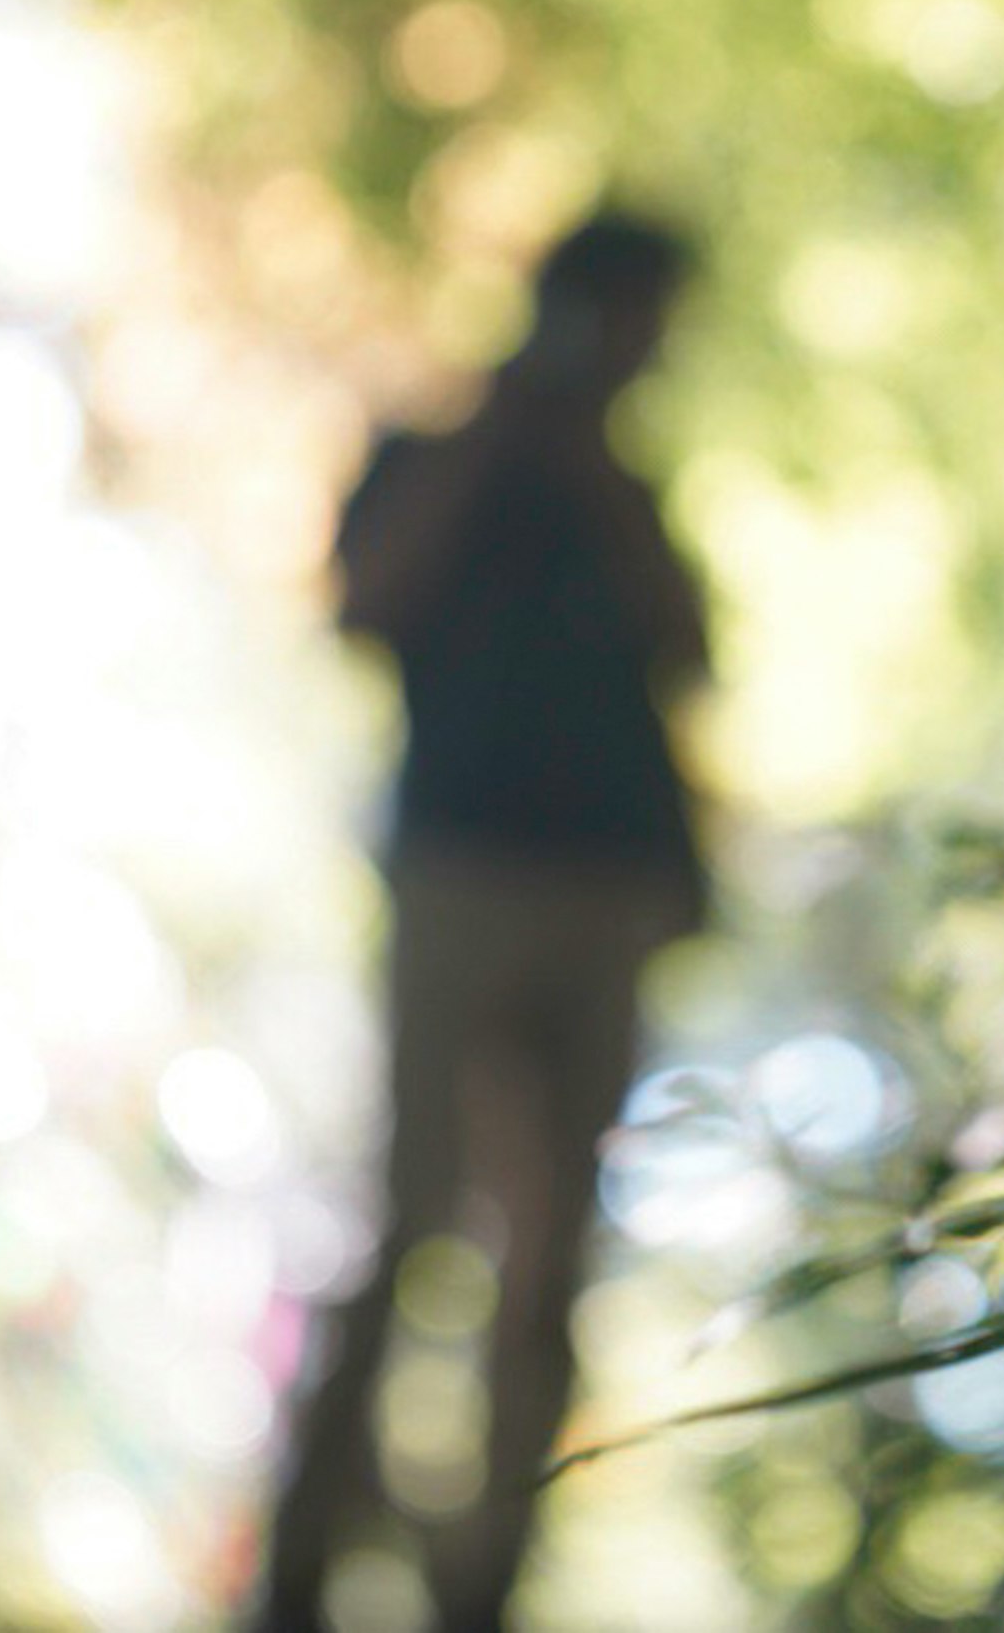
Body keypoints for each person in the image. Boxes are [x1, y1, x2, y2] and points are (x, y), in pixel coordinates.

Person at [259, 213, 711, 1633]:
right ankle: (301, 1574)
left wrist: (593, 478)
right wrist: (499, 447)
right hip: (461, 871)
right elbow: (364, 606)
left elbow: (687, 653)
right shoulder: (438, 452)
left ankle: (479, 1590)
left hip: (603, 886)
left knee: (548, 1266)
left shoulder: (624, 486)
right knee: (409, 1227)